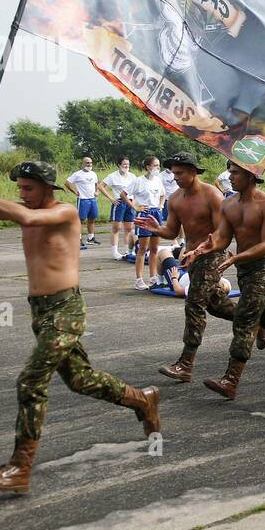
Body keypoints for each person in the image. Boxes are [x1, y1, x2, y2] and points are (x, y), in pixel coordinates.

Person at [0, 142, 160, 494]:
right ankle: (142, 400)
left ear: (46, 188)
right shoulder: (25, 208)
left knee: (31, 380)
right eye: (19, 189)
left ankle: (21, 468)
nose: (22, 194)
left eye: (28, 188)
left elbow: (25, 216)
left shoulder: (64, 212)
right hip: (41, 311)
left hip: (66, 309)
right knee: (80, 380)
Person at [181, 160, 265, 398]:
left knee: (245, 320)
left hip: (263, 269)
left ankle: (231, 380)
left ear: (250, 176)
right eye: (230, 172)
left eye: (235, 173)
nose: (230, 176)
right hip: (244, 270)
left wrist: (237, 258)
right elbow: (222, 238)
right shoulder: (229, 204)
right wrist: (201, 249)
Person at [135, 151, 231, 383]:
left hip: (213, 254)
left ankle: (186, 364)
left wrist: (202, 249)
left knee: (194, 304)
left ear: (193, 172)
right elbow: (171, 231)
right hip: (192, 256)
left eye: (179, 173)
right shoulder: (176, 198)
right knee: (216, 306)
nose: (175, 177)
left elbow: (222, 233)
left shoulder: (212, 195)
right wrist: (156, 228)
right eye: (173, 173)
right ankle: (254, 319)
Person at [120, 156, 165, 290]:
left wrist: (160, 206)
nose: (157, 168)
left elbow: (163, 194)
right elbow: (123, 194)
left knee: (155, 248)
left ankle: (153, 277)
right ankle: (139, 279)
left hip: (156, 213)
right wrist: (135, 207)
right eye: (155, 165)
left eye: (158, 165)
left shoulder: (158, 180)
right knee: (142, 248)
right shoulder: (138, 181)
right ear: (148, 167)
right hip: (144, 214)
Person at [98, 157, 135, 259]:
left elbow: (136, 190)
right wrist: (111, 198)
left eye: (128, 164)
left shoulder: (132, 176)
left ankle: (128, 251)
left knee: (128, 228)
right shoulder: (113, 176)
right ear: (119, 165)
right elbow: (101, 186)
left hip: (130, 202)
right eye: (124, 164)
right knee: (116, 228)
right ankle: (115, 252)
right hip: (119, 202)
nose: (126, 166)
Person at [63, 156, 101, 248]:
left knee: (92, 218)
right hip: (83, 200)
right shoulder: (78, 174)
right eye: (87, 163)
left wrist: (97, 191)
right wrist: (75, 192)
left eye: (91, 163)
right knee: (80, 220)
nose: (89, 164)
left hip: (92, 199)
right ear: (83, 164)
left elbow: (97, 184)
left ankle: (90, 238)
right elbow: (67, 182)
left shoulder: (93, 174)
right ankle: (78, 239)